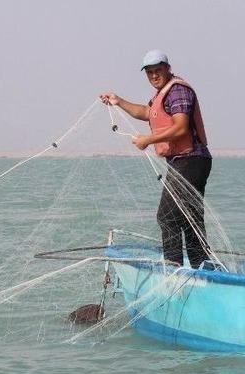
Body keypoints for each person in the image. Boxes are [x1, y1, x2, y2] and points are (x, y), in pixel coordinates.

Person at [99, 49, 213, 268]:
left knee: (168, 216)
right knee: (188, 218)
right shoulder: (162, 94)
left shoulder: (177, 91)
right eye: (149, 72)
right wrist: (118, 101)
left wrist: (148, 140)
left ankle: (172, 268)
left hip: (190, 160)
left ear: (168, 69)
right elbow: (146, 113)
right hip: (185, 162)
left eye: (158, 70)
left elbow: (180, 128)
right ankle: (202, 266)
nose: (154, 76)